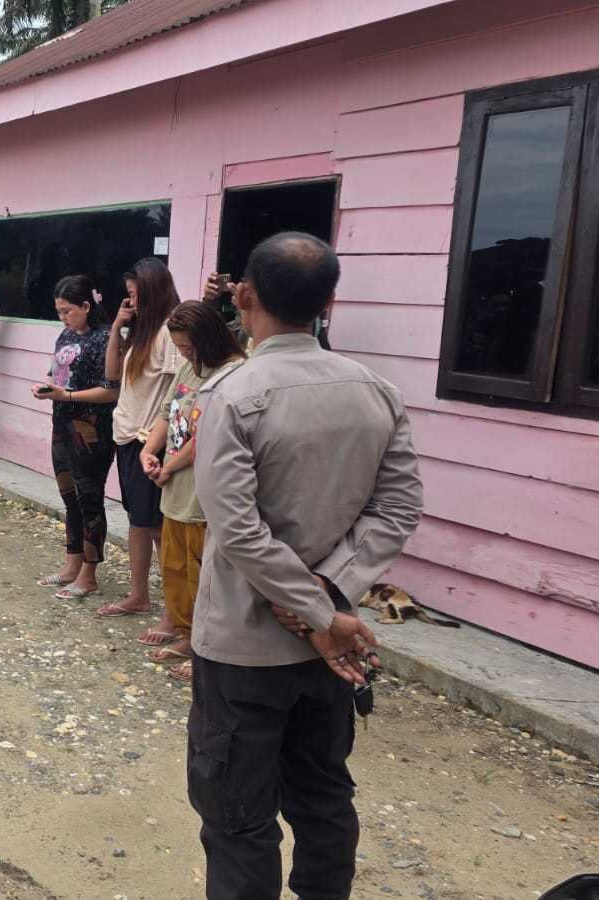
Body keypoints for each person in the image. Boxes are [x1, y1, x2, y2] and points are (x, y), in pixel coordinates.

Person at [187, 232, 423, 899]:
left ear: (243, 295)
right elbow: (399, 506)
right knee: (323, 797)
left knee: (237, 814)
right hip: (332, 648)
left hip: (244, 646)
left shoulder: (233, 394)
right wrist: (331, 593)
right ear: (329, 302)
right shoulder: (376, 391)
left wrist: (312, 607)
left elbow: (236, 527)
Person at [136, 300, 245, 676]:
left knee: (204, 577)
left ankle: (207, 651)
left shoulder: (232, 372)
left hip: (204, 493)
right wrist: (149, 451)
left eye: (187, 346)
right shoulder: (189, 366)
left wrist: (167, 467)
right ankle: (187, 635)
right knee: (176, 570)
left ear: (208, 339)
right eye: (179, 346)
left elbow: (208, 435)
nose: (183, 353)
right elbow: (167, 412)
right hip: (175, 489)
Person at [93, 258, 183, 624]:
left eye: (135, 293)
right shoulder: (142, 331)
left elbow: (180, 392)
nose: (131, 301)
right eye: (128, 294)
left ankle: (174, 612)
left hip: (151, 441)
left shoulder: (169, 332)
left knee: (159, 528)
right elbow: (112, 375)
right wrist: (117, 326)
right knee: (137, 521)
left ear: (154, 291)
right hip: (128, 437)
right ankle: (139, 595)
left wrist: (161, 443)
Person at [31, 274, 119, 601]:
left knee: (90, 499)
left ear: (86, 306)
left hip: (92, 430)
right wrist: (46, 387)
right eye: (59, 312)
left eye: (68, 311)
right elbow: (56, 373)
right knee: (70, 496)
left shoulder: (106, 339)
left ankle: (89, 574)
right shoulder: (66, 335)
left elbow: (111, 391)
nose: (63, 317)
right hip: (62, 424)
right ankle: (72, 564)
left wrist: (66, 396)